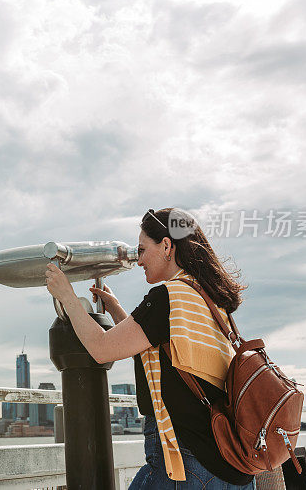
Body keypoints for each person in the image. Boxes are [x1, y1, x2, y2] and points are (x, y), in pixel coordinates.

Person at [45, 208, 254, 490]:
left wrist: (67, 296)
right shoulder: (209, 299)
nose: (139, 259)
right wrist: (118, 310)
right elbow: (156, 348)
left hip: (186, 463)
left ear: (166, 245)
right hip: (231, 465)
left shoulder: (168, 295)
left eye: (143, 250)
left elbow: (101, 349)